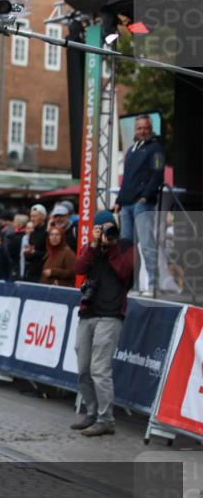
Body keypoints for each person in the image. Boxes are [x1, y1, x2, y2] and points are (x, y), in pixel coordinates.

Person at [71, 210, 134, 437]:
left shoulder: (126, 246)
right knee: (83, 368)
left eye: (110, 227)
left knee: (100, 369)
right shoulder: (93, 248)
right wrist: (94, 244)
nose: (107, 231)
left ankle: (106, 419)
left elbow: (126, 273)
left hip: (111, 314)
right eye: (101, 228)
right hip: (88, 313)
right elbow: (78, 269)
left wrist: (112, 247)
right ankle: (92, 412)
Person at [113, 115, 165, 294]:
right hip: (126, 205)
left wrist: (145, 197)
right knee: (128, 248)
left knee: (147, 244)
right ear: (135, 129)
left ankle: (153, 284)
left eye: (145, 128)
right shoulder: (131, 150)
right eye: (139, 128)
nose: (142, 131)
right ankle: (132, 285)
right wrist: (119, 201)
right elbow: (126, 179)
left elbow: (158, 174)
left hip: (142, 204)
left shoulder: (156, 148)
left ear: (151, 129)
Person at [22, 204, 48, 281]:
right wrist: (28, 254)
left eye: (35, 216)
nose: (32, 219)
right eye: (31, 216)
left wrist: (34, 253)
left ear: (43, 217)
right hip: (32, 272)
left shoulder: (48, 232)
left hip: (43, 273)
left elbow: (49, 254)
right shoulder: (33, 233)